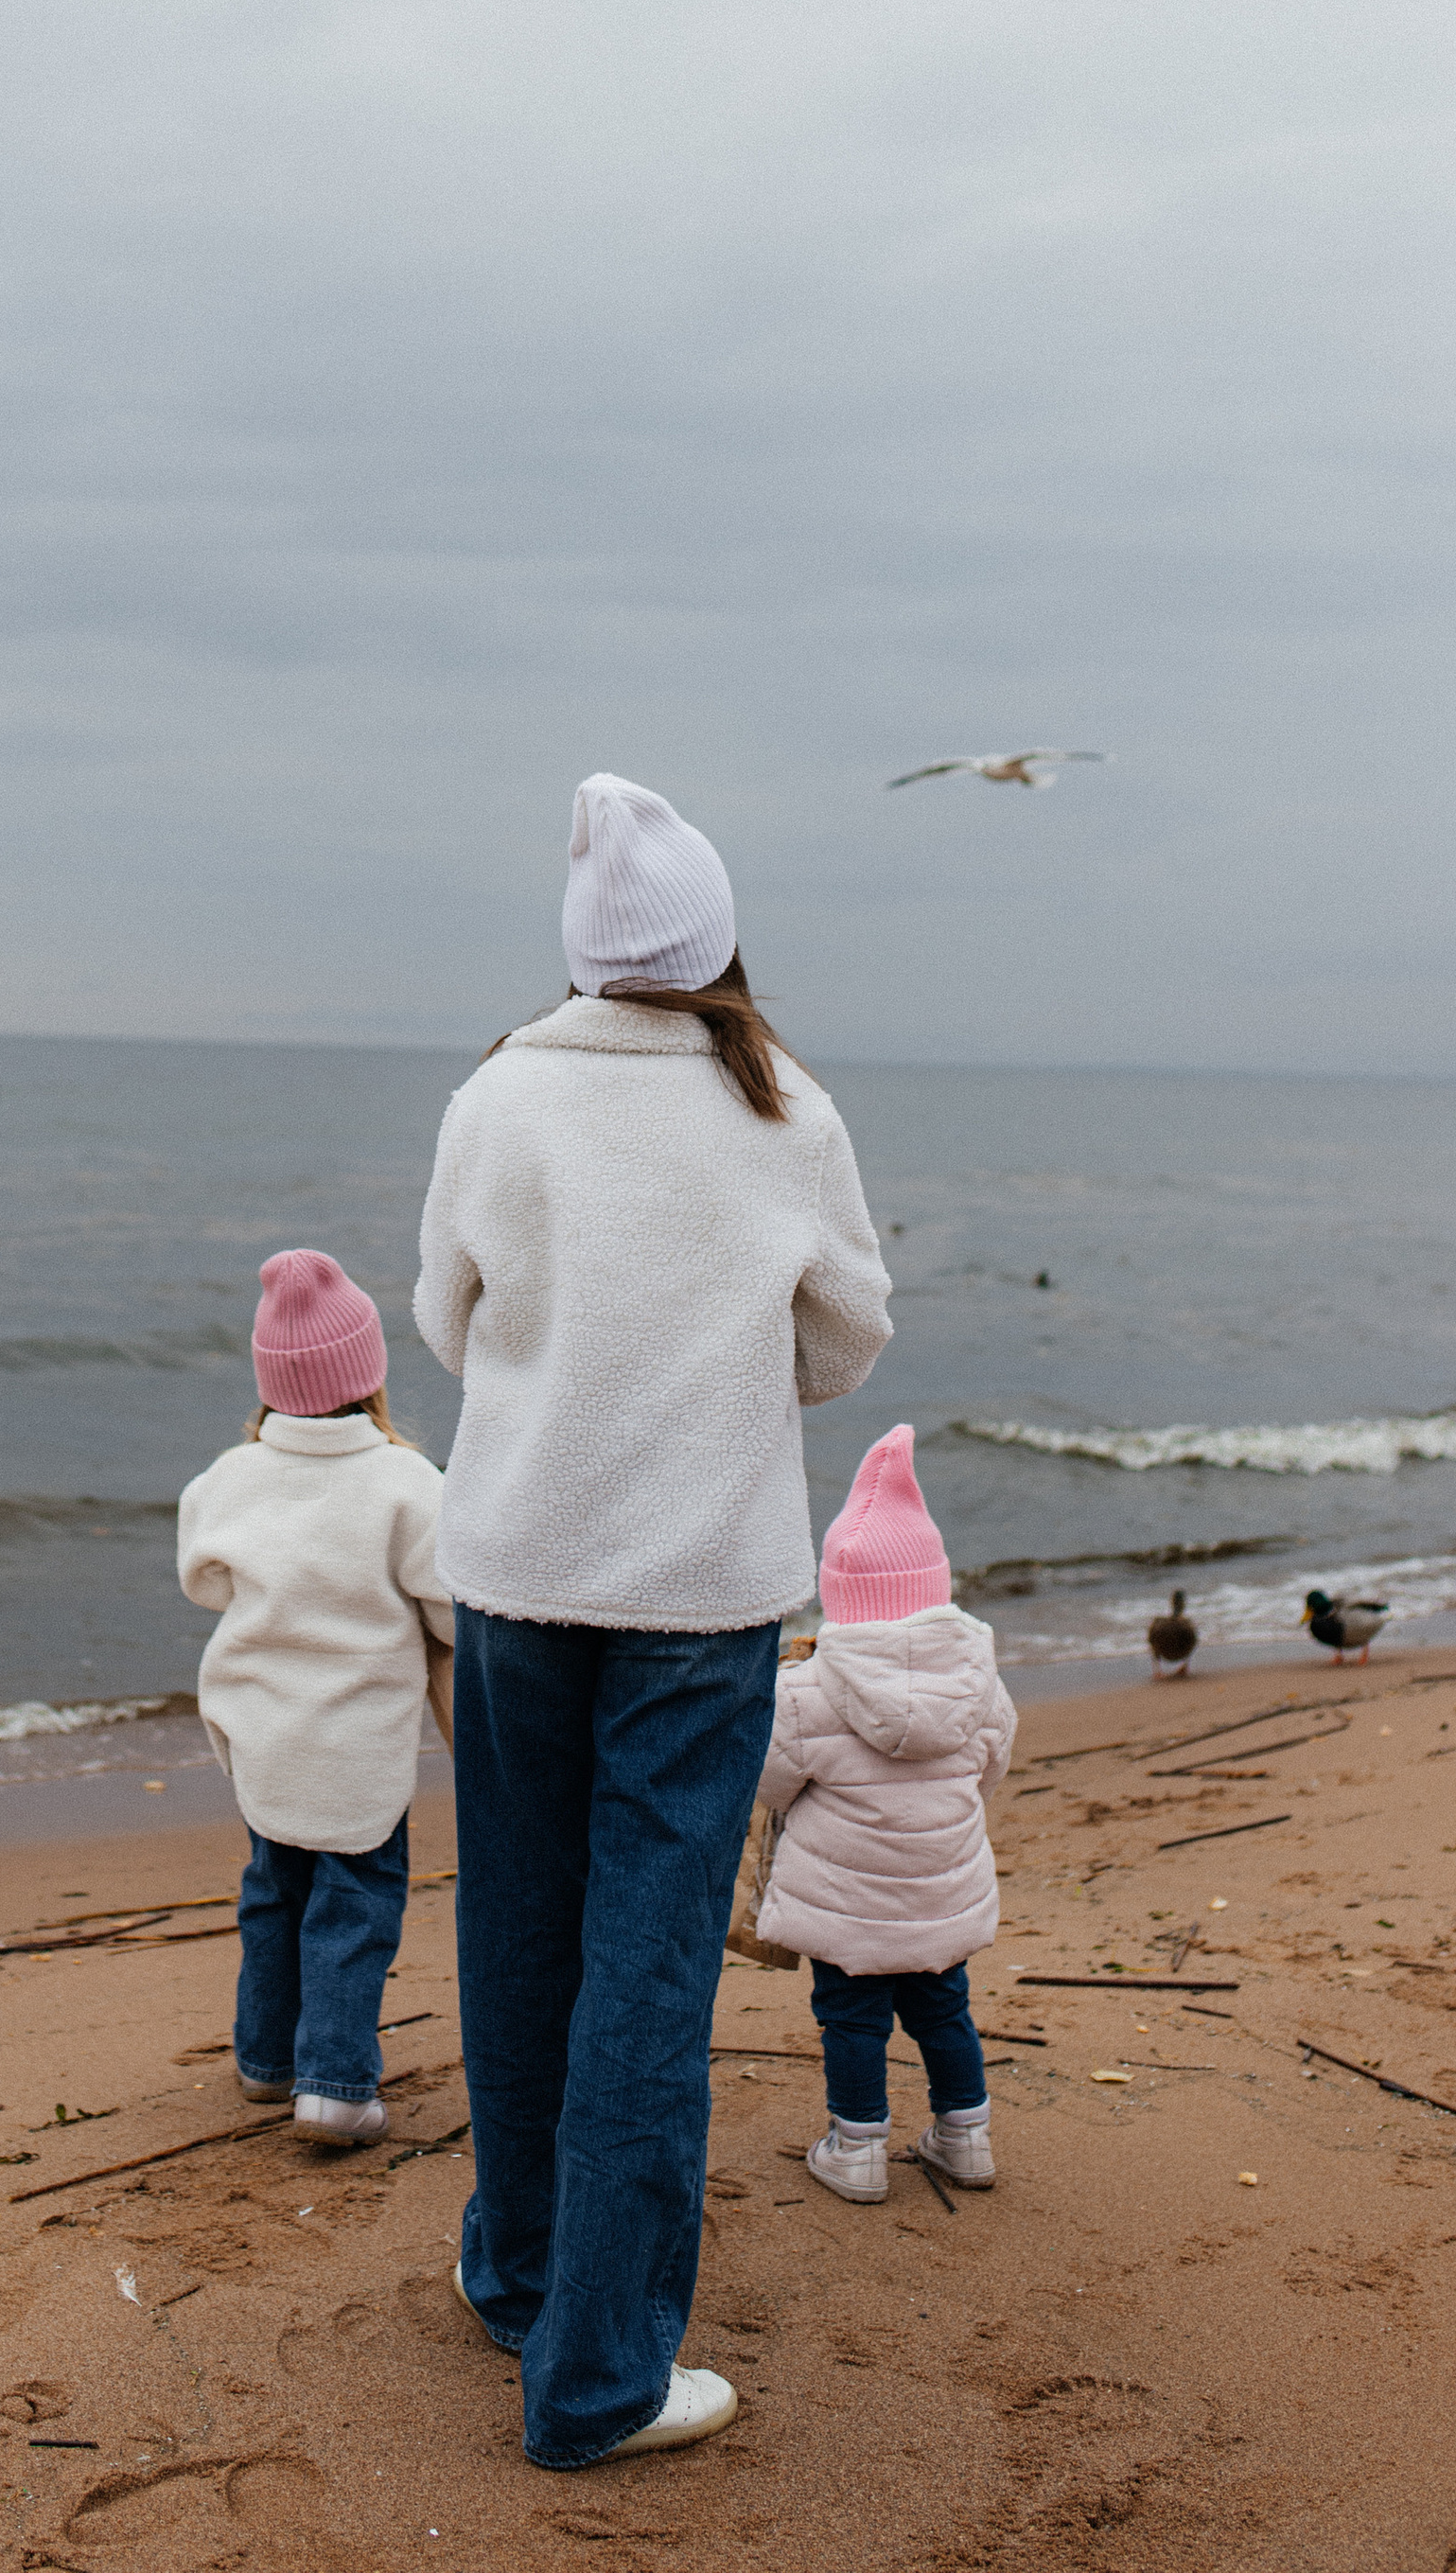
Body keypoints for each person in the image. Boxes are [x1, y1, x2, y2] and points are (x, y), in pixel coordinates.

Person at [414, 772, 895, 2470]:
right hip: (700, 1596)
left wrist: (568, 1368)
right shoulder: (784, 1108)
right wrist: (717, 1369)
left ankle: (521, 2276)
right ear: (717, 946)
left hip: (518, 1573)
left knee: (518, 1932)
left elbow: (448, 1323)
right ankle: (601, 2375)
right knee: (647, 1965)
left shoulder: (501, 1094)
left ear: (583, 949)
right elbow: (847, 1338)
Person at [176, 1248, 453, 2146]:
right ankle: (334, 2084)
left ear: (269, 1379)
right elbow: (450, 1610)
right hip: (356, 1742)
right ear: (369, 1373)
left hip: (259, 1728)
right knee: (354, 1904)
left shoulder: (230, 1477)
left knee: (274, 1890)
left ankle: (265, 2061)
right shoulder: (407, 1484)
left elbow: (203, 1581)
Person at [751, 1424, 1015, 2203]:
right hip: (940, 1890)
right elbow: (990, 1769)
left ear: (838, 1594)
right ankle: (965, 2137)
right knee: (944, 2010)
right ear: (936, 1589)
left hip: (848, 1901)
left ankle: (858, 2145)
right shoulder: (977, 1683)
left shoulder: (803, 1692)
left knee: (851, 2018)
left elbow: (770, 1785)